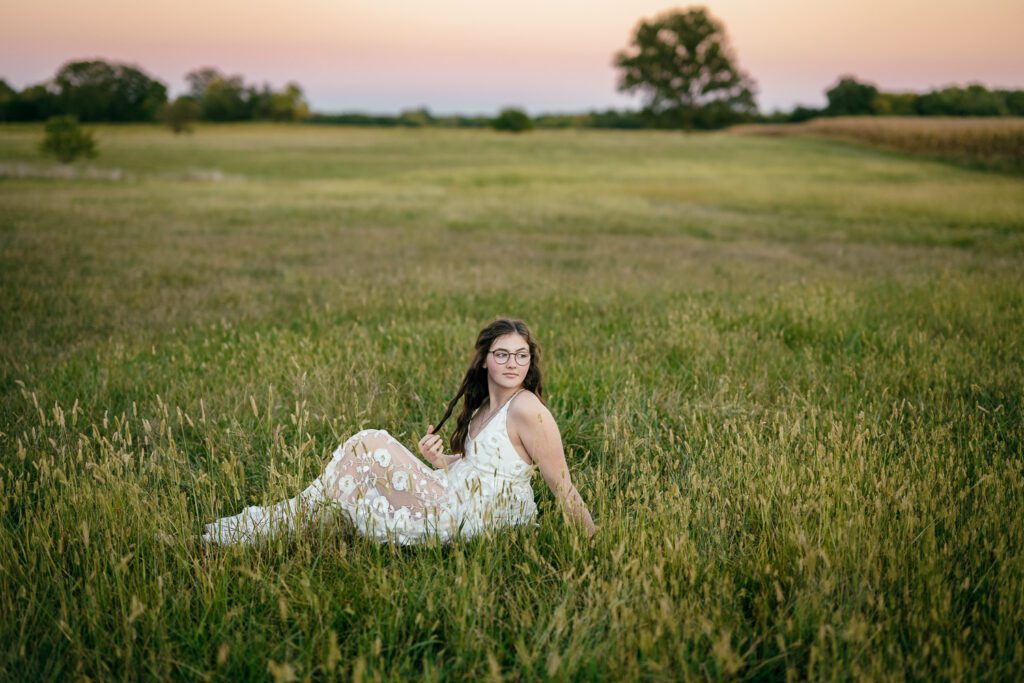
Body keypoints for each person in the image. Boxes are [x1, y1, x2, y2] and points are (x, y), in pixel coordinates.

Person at [200, 318, 597, 547]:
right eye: (502, 354)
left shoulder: (528, 408)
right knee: (354, 471)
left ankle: (262, 528)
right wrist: (439, 461)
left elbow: (561, 484)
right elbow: (485, 466)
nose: (514, 363)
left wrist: (593, 543)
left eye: (521, 355)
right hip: (459, 491)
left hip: (481, 514)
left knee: (369, 444)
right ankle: (269, 528)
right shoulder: (483, 405)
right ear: (484, 363)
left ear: (531, 360)